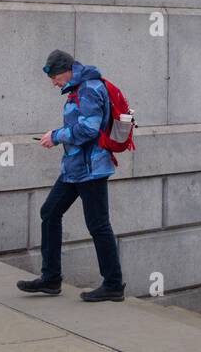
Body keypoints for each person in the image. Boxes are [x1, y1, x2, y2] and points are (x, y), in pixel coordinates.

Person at [16, 49, 125, 302]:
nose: (54, 83)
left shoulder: (88, 88)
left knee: (98, 225)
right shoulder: (78, 88)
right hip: (74, 168)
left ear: (67, 70)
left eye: (55, 77)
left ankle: (113, 284)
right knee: (50, 212)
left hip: (91, 169)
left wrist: (56, 136)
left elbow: (89, 129)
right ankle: (51, 279)